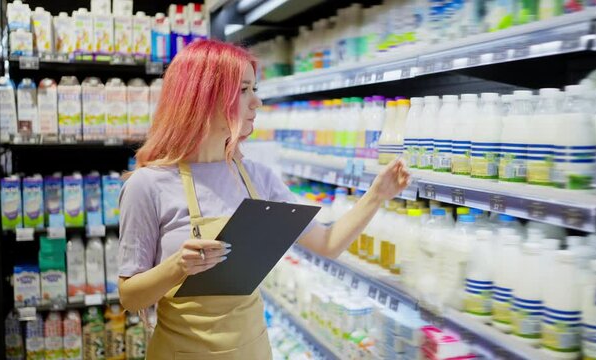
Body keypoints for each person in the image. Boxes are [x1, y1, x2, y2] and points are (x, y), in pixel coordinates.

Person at [118, 39, 410, 360]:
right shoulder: (148, 184)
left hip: (252, 349)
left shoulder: (257, 177)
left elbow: (327, 242)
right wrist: (177, 267)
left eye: (254, 88)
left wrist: (377, 195)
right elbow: (130, 297)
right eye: (243, 90)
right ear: (202, 97)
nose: (256, 101)